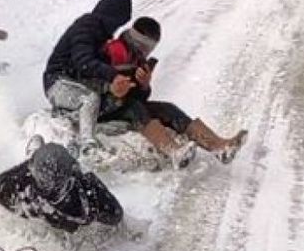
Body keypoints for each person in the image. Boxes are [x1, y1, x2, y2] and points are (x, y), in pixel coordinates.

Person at [100, 17, 248, 165]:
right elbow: (99, 83)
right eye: (145, 46)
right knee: (136, 108)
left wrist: (143, 85)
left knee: (167, 109)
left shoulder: (136, 57)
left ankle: (220, 147)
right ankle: (172, 151)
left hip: (123, 102)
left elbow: (137, 96)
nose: (147, 51)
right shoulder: (114, 50)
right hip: (103, 105)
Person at [42, 0, 133, 145]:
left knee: (108, 96)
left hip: (74, 81)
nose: (116, 28)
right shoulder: (86, 26)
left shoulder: (100, 34)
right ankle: (88, 145)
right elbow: (83, 61)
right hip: (57, 82)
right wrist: (112, 75)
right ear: (111, 17)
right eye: (118, 23)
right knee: (89, 99)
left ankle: (74, 123)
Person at [0, 140, 123, 234]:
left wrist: (27, 214)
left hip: (49, 210)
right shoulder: (89, 190)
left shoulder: (25, 181)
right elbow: (116, 216)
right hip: (60, 209)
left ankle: (41, 156)